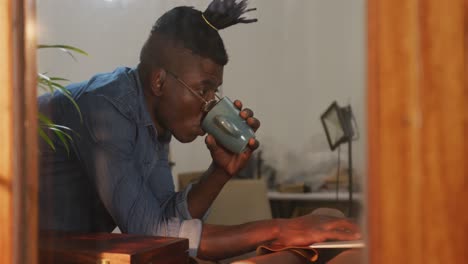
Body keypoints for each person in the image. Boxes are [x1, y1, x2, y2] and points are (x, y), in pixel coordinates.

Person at [38, 0, 361, 261]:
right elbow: (151, 232)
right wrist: (280, 230)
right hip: (29, 252)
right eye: (203, 89)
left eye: (215, 92)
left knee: (325, 224)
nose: (210, 104)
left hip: (72, 251)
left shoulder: (153, 117)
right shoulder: (106, 108)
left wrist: (220, 172)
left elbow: (164, 218)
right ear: (160, 81)